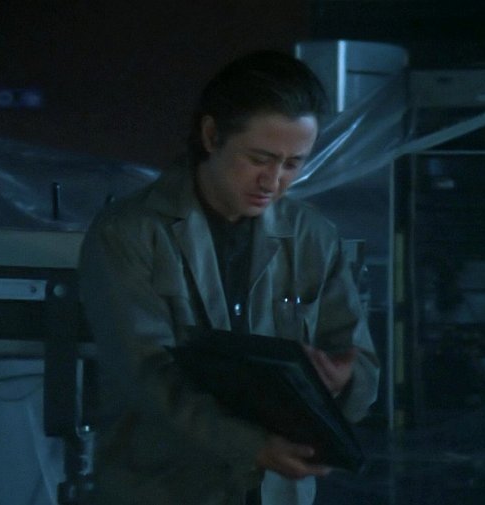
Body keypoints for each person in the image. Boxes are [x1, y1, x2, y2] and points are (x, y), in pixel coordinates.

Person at [78, 49, 380, 505]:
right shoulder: (131, 233)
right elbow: (145, 376)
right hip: (161, 489)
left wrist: (340, 382)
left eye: (293, 164)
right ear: (211, 135)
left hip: (277, 493)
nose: (273, 181)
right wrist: (252, 447)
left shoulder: (312, 237)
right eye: (259, 158)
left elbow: (360, 363)